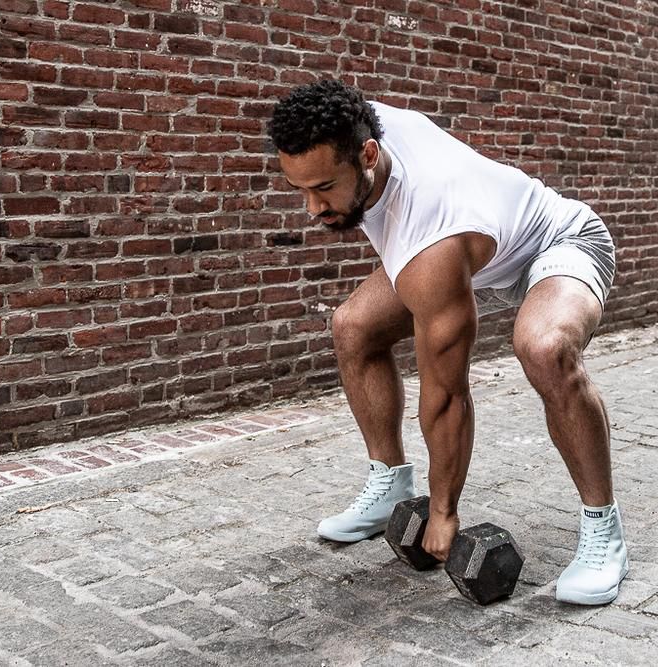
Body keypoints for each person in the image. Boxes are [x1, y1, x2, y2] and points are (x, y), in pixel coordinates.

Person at [268, 79, 627, 605]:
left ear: (368, 155)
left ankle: (602, 531)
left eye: (324, 187)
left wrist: (443, 511)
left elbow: (446, 393)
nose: (312, 207)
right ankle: (389, 481)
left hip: (559, 242)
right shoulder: (359, 120)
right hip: (476, 252)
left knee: (544, 348)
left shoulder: (429, 235)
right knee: (354, 327)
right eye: (299, 189)